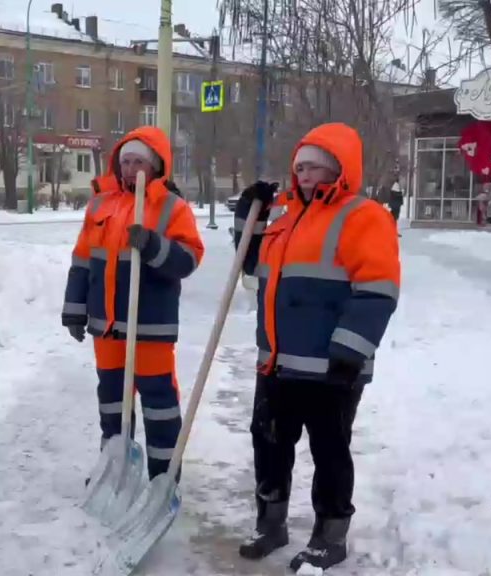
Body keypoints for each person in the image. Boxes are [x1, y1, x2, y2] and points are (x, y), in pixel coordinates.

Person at [232, 122, 401, 572]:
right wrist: (249, 215)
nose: (304, 175)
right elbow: (250, 265)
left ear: (340, 170)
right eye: (300, 167)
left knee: (329, 451)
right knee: (269, 444)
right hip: (277, 362)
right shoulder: (284, 219)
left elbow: (378, 289)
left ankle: (330, 535)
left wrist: (351, 350)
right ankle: (270, 525)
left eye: (315, 167)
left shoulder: (363, 216)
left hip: (331, 366)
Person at [61, 126, 205, 480]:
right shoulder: (101, 204)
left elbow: (188, 259)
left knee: (159, 405)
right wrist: (75, 309)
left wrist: (154, 246)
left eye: (138, 162)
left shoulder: (171, 207)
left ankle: (163, 477)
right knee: (112, 402)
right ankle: (114, 468)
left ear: (155, 165)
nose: (130, 169)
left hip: (150, 326)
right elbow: (82, 260)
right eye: (125, 162)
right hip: (107, 326)